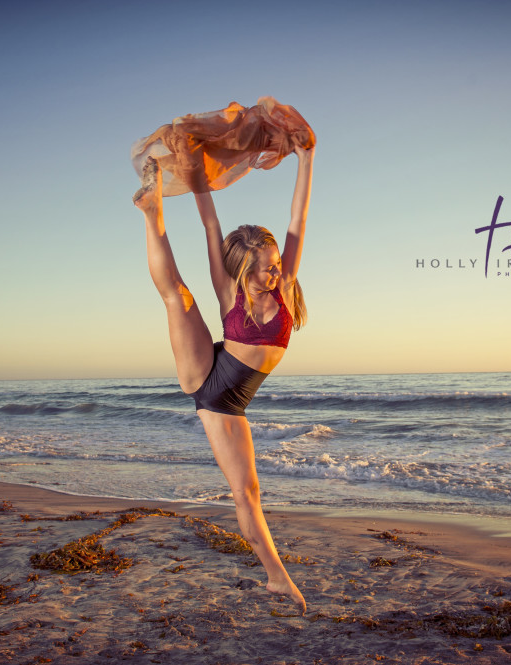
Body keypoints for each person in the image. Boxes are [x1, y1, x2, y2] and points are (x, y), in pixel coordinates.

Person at [133, 143, 314, 614]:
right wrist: (195, 175)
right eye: (264, 269)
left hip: (234, 395)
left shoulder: (286, 282)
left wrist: (306, 159)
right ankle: (151, 215)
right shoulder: (229, 290)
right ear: (242, 270)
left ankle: (274, 577)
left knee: (249, 492)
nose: (275, 273)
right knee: (177, 296)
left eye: (275, 264)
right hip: (214, 393)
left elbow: (297, 219)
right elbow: (212, 225)